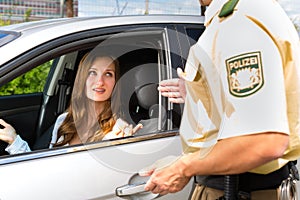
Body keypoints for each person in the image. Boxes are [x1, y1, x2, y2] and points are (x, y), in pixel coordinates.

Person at [139, 0, 300, 199]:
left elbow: (264, 140)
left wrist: (183, 168)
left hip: (237, 189)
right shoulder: (237, 16)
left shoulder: (238, 21)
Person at [0, 50, 142, 154]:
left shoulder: (119, 129)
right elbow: (43, 169)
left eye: (108, 74)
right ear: (82, 79)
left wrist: (119, 148)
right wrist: (15, 141)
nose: (100, 81)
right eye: (92, 72)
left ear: (115, 82)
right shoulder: (64, 120)